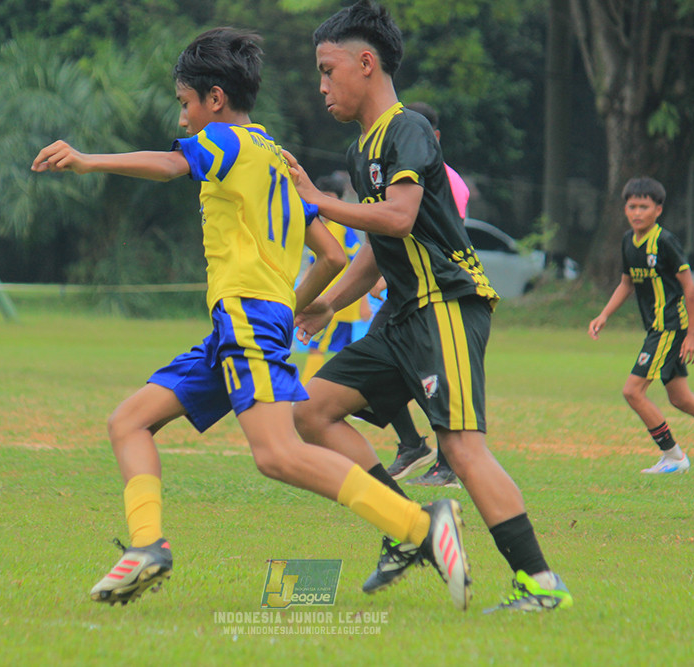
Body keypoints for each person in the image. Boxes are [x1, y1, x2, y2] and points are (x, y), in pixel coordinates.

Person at [31, 27, 471, 610]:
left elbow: (168, 164)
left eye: (186, 103)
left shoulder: (224, 141)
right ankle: (148, 549)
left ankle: (421, 525)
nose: (183, 118)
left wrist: (88, 161)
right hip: (239, 327)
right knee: (129, 422)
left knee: (277, 455)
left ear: (215, 99)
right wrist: (290, 309)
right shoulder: (274, 154)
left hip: (245, 320)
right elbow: (333, 255)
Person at [289, 0, 572, 613]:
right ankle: (408, 525)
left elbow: (399, 215)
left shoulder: (407, 128)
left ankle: (539, 584)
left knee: (462, 448)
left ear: (366, 63)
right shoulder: (361, 147)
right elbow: (378, 246)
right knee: (311, 412)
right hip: (402, 317)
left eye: (327, 70)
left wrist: (317, 202)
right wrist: (329, 305)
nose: (321, 86)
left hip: (445, 304)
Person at [588, 176, 694, 475]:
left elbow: (690, 289)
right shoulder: (628, 241)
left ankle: (673, 457)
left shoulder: (665, 241)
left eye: (644, 206)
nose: (637, 212)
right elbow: (626, 283)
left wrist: (693, 334)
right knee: (681, 398)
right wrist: (604, 315)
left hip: (670, 327)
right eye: (632, 206)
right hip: (657, 329)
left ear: (658, 209)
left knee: (632, 391)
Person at [386, 100, 472, 487]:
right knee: (373, 368)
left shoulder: (447, 181)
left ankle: (450, 461)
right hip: (402, 288)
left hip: (432, 290)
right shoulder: (398, 174)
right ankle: (411, 443)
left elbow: (439, 235)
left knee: (430, 378)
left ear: (432, 137)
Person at [294, 173, 372, 385]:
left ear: (339, 200)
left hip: (336, 303)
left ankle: (304, 396)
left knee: (317, 348)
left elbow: (362, 265)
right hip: (330, 303)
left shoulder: (342, 229)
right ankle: (337, 397)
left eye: (329, 197)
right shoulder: (320, 227)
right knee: (336, 352)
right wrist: (301, 289)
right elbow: (312, 264)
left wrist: (363, 303)